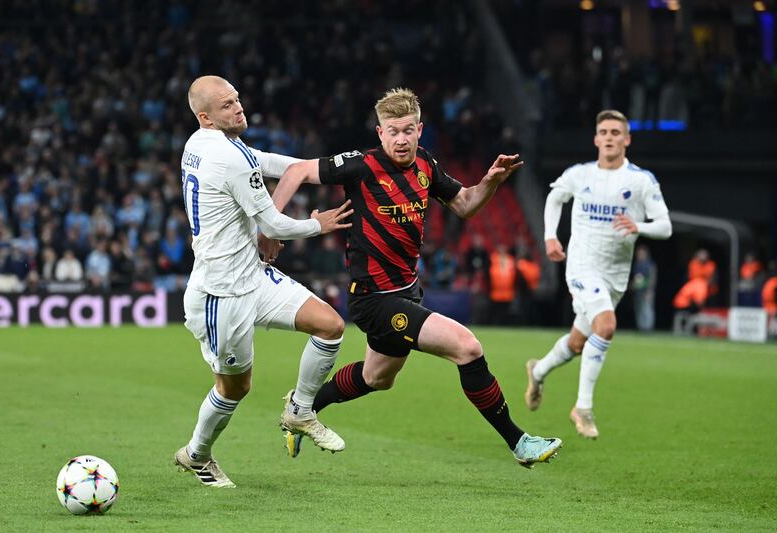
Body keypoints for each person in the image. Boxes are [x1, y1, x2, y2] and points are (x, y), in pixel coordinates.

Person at [265, 88, 562, 468]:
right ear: (380, 133)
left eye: (408, 130)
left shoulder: (425, 164)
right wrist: (271, 227)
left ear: (420, 130)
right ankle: (519, 442)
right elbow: (296, 170)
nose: (401, 139)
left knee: (376, 378)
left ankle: (300, 408)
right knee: (467, 347)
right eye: (393, 131)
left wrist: (491, 180)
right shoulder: (361, 165)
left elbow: (466, 205)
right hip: (374, 299)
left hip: (407, 292)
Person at [173, 75, 354, 488]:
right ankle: (197, 455)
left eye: (237, 98)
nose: (238, 107)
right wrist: (317, 223)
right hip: (223, 293)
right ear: (206, 117)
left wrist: (327, 167)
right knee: (236, 388)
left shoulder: (200, 144)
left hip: (252, 275)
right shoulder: (226, 156)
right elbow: (271, 223)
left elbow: (270, 163)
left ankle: (301, 410)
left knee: (329, 326)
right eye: (226, 105)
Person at [525, 109, 672, 439]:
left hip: (615, 275)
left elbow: (665, 226)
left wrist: (640, 226)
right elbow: (555, 197)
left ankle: (539, 371)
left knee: (578, 342)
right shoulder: (580, 174)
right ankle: (583, 407)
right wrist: (551, 236)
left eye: (615, 132)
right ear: (595, 139)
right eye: (603, 132)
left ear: (627, 139)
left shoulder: (640, 180)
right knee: (605, 326)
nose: (609, 137)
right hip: (581, 266)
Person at [631, 244, 657, 331]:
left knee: (647, 309)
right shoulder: (636, 264)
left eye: (642, 254)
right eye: (639, 254)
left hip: (647, 290)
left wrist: (649, 291)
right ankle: (641, 327)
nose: (640, 255)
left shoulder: (650, 265)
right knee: (638, 308)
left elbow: (652, 278)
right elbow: (635, 278)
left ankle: (647, 328)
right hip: (638, 290)